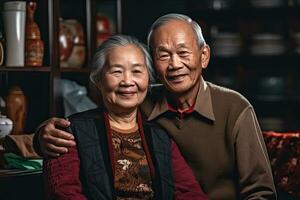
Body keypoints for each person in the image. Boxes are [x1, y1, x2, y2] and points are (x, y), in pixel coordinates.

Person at [35, 14, 277, 199]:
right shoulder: (136, 100)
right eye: (163, 55)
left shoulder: (234, 107)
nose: (174, 64)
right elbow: (84, 129)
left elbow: (259, 192)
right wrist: (41, 136)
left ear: (204, 56)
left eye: (183, 52)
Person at [43, 35, 208, 200]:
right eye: (117, 72)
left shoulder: (160, 137)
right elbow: (63, 193)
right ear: (98, 80)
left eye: (136, 71)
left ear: (148, 80)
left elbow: (190, 193)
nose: (128, 81)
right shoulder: (70, 132)